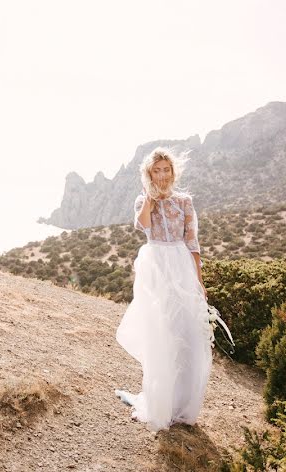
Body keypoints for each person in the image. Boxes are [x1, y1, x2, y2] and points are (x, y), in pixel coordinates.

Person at [114, 146, 212, 432]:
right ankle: (160, 402)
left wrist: (199, 282)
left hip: (181, 265)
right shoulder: (143, 201)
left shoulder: (184, 202)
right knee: (161, 333)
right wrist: (150, 198)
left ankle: (181, 404)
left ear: (173, 171)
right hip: (155, 265)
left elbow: (193, 244)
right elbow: (142, 224)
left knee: (186, 333)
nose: (162, 175)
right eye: (156, 171)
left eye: (166, 170)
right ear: (149, 174)